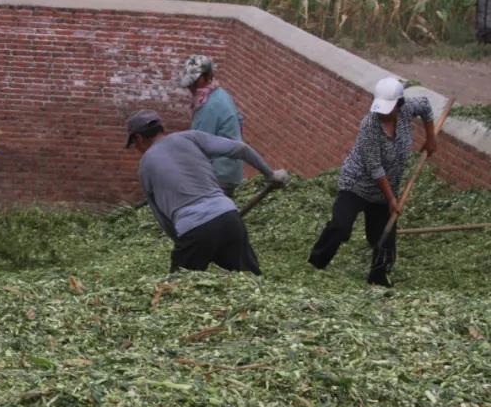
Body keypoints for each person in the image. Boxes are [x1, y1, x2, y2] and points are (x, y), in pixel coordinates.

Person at [126, 109, 289, 275]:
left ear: (138, 138)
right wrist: (270, 175)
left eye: (134, 144)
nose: (136, 148)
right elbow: (240, 149)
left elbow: (161, 217)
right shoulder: (190, 137)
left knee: (177, 290)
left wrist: (182, 241)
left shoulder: (145, 166)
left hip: (192, 229)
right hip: (228, 217)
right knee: (249, 277)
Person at [308, 77, 436, 287]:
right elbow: (375, 168)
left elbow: (426, 106)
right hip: (356, 184)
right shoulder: (369, 125)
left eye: (389, 108)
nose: (383, 112)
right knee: (341, 227)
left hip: (386, 188)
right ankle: (316, 263)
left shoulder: (406, 111)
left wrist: (431, 138)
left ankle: (378, 278)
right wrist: (392, 199)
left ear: (399, 105)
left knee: (383, 238)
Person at [180, 55, 245, 198]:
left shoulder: (209, 106)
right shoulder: (220, 93)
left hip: (220, 173)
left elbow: (199, 143)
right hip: (230, 168)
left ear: (207, 76)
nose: (191, 87)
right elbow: (240, 120)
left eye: (195, 81)